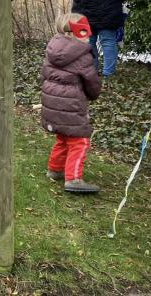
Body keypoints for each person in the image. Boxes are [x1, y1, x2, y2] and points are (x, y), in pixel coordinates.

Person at [41, 13, 102, 194]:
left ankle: (54, 169)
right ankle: (73, 178)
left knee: (63, 138)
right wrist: (94, 94)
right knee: (80, 142)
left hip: (52, 105)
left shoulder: (52, 49)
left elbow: (44, 76)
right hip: (72, 106)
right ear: (80, 32)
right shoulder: (83, 56)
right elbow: (92, 82)